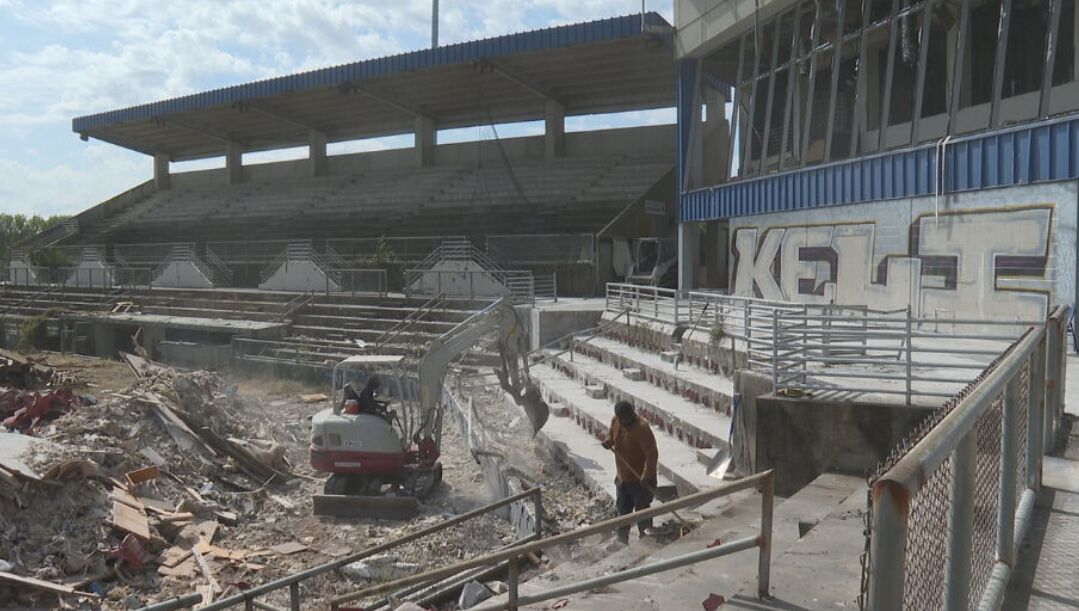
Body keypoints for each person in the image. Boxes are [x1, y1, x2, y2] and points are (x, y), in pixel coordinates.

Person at [602, 401, 659, 544]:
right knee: (623, 513)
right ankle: (622, 542)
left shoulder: (642, 428)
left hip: (640, 481)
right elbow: (611, 434)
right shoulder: (616, 421)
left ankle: (646, 542)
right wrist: (608, 441)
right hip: (623, 479)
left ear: (631, 414)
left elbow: (651, 454)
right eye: (620, 418)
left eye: (624, 418)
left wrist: (647, 475)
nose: (622, 421)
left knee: (642, 513)